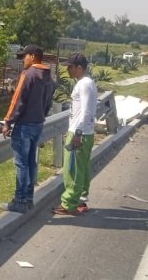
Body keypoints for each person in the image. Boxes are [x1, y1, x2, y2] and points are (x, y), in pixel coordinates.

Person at [0, 45, 55, 213]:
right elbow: (48, 103)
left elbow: (17, 100)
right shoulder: (48, 77)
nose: (23, 60)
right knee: (31, 162)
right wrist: (41, 115)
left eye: (24, 56)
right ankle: (29, 198)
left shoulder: (28, 74)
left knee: (21, 163)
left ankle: (20, 200)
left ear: (32, 56)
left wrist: (8, 121)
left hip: (24, 126)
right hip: (38, 124)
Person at [53, 53, 97, 216]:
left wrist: (78, 133)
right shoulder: (88, 83)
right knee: (82, 168)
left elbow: (86, 111)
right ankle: (80, 199)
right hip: (86, 132)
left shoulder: (84, 84)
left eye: (70, 67)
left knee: (72, 170)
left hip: (80, 132)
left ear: (79, 67)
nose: (68, 70)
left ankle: (69, 203)